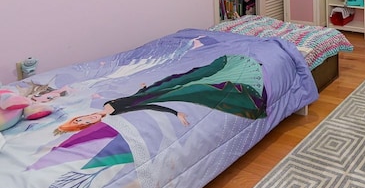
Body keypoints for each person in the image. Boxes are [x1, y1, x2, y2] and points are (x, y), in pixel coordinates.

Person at [56, 54, 267, 134]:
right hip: (157, 96)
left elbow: (134, 99)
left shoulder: (107, 106)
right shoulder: (111, 114)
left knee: (186, 78)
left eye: (81, 118)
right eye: (85, 122)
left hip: (153, 92)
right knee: (195, 87)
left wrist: (143, 88)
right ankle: (234, 80)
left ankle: (224, 68)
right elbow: (142, 106)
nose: (87, 118)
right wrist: (176, 113)